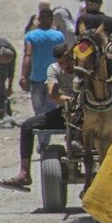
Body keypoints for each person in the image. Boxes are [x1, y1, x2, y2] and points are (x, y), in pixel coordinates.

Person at [0, 44, 74, 191]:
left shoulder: (84, 69)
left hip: (88, 114)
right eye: (61, 63)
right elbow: (53, 96)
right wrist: (72, 101)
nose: (65, 66)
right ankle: (25, 173)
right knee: (27, 126)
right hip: (67, 111)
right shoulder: (54, 69)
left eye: (68, 61)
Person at [22, 8, 65, 152]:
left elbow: (27, 56)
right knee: (50, 112)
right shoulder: (59, 35)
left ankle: (43, 142)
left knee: (39, 112)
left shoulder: (31, 35)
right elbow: (64, 56)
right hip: (54, 79)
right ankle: (44, 142)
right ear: (52, 19)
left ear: (39, 19)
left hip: (36, 79)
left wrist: (23, 76)